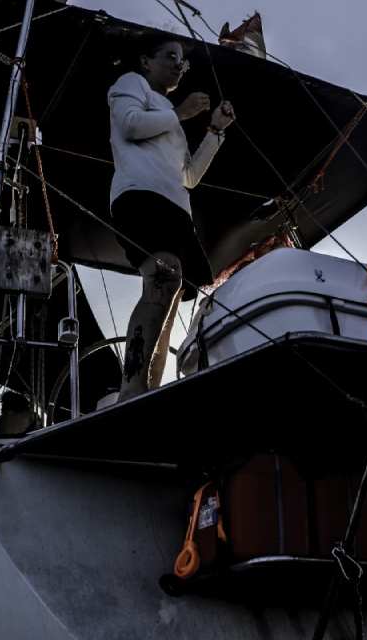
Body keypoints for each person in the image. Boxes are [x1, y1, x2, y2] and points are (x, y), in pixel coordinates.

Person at [106, 34, 235, 402]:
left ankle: (149, 388)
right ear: (146, 61)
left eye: (182, 60)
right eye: (170, 56)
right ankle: (132, 387)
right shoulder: (132, 83)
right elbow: (130, 125)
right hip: (140, 195)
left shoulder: (169, 117)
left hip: (175, 206)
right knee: (165, 274)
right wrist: (180, 113)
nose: (179, 65)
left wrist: (215, 131)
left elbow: (188, 176)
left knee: (172, 288)